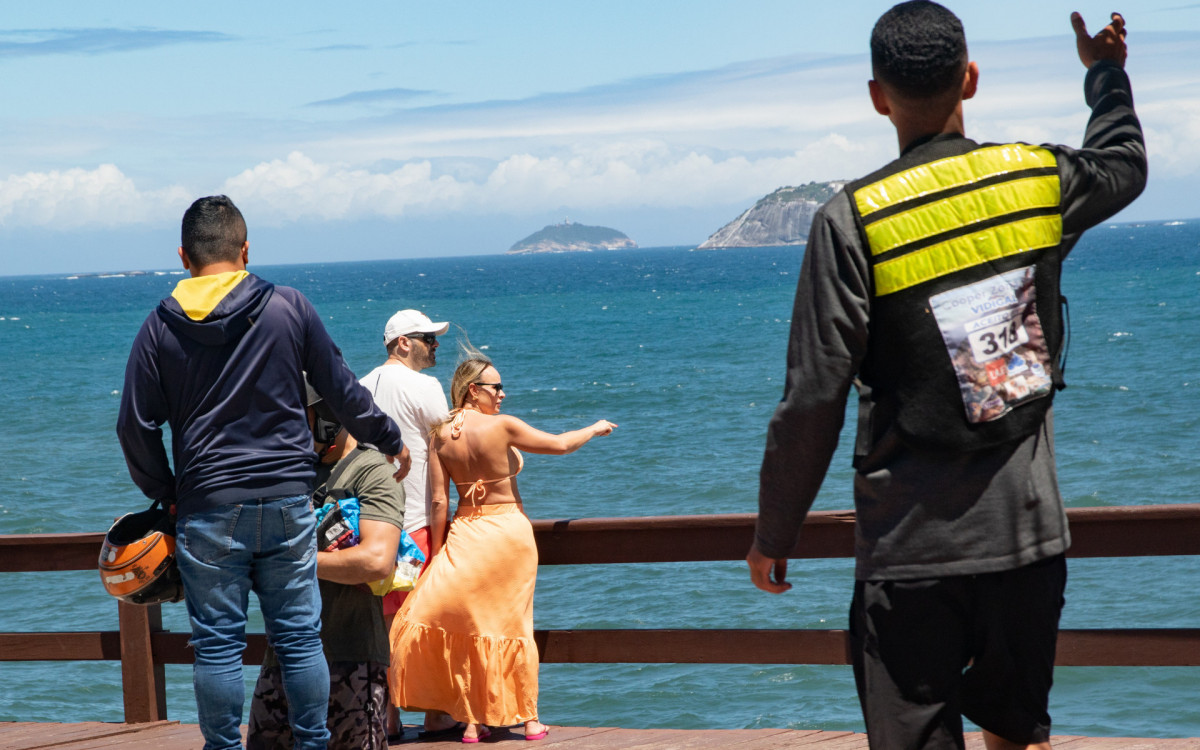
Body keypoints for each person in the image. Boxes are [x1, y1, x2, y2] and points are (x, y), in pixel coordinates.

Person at [747, 5, 1145, 750]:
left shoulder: (853, 221)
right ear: (970, 79)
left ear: (877, 96)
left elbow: (814, 396)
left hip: (911, 552)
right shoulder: (1033, 181)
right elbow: (1125, 163)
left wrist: (775, 533)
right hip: (1026, 537)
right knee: (1019, 730)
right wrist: (1105, 75)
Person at [116, 195, 411, 750]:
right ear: (246, 250)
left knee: (218, 646)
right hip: (287, 501)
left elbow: (134, 427)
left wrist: (169, 494)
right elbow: (342, 390)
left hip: (207, 505)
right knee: (300, 639)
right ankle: (311, 744)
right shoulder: (289, 307)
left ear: (183, 255)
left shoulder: (158, 327)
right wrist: (389, 439)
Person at [389, 356, 616, 743]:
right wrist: (594, 428)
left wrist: (439, 552)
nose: (503, 394)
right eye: (496, 387)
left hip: (466, 531)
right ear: (473, 389)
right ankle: (527, 719)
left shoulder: (440, 434)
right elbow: (560, 445)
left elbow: (440, 502)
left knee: (471, 623)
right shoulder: (503, 426)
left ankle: (473, 719)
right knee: (512, 624)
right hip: (508, 533)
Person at [248, 388, 405, 750]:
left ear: (328, 418)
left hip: (350, 657)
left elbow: (377, 561)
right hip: (283, 656)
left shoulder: (371, 471)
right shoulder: (289, 470)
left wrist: (291, 561)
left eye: (295, 416)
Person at [358, 308, 453, 738]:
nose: (435, 346)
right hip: (414, 523)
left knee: (380, 629)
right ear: (403, 343)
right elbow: (447, 453)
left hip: (367, 527)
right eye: (428, 339)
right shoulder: (425, 386)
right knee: (425, 623)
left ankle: (387, 718)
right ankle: (434, 712)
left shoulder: (358, 387)